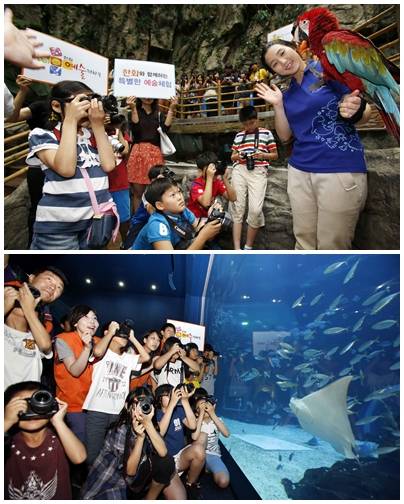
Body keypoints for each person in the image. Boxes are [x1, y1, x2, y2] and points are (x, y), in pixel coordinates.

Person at [256, 39, 371, 250]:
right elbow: (284, 137)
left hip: (338, 167)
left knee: (332, 245)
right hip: (299, 170)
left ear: (293, 47)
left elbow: (363, 110)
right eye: (275, 64)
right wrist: (279, 105)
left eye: (282, 53)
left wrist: (357, 109)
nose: (283, 62)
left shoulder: (327, 70)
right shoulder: (287, 93)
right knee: (303, 241)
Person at [26, 80, 116, 250]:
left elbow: (109, 165)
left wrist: (97, 125)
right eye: (81, 101)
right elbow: (66, 169)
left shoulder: (93, 134)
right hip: (59, 227)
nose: (88, 106)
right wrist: (70, 121)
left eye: (91, 100)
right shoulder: (43, 134)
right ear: (57, 106)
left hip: (95, 222)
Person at [81, 387, 174, 500]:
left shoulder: (149, 424)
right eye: (138, 403)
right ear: (127, 406)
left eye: (146, 404)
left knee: (166, 462)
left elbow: (163, 452)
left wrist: (148, 424)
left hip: (135, 480)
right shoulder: (121, 430)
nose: (142, 408)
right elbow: (130, 472)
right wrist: (140, 438)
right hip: (112, 480)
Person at [82, 321, 150, 465]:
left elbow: (146, 358)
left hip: (118, 412)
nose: (123, 336)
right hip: (97, 410)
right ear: (108, 333)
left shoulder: (127, 358)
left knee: (115, 453)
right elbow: (98, 351)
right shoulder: (101, 352)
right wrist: (111, 331)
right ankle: (91, 485)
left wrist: (132, 337)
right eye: (120, 333)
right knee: (93, 456)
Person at [4, 381, 87, 499]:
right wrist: (6, 422)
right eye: (22, 406)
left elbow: (79, 458)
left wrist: (58, 421)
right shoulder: (7, 443)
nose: (31, 411)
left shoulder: (59, 438)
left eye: (37, 403)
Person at [4, 266, 66, 390]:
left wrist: (28, 308)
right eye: (49, 279)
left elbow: (45, 346)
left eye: (59, 287)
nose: (53, 287)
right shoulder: (7, 291)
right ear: (31, 278)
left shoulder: (46, 324)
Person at [230, 105, 278, 250]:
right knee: (237, 208)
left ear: (257, 119)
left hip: (258, 171)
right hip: (240, 170)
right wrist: (240, 155)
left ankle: (248, 247)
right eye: (245, 124)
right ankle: (237, 249)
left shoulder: (266, 133)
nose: (249, 126)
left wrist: (262, 155)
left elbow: (275, 155)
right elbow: (232, 157)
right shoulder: (239, 136)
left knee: (255, 210)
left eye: (252, 123)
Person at [132, 178, 222, 250]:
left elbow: (198, 230)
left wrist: (212, 217)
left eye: (179, 192)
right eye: (173, 195)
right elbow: (172, 261)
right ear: (160, 205)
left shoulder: (182, 210)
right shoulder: (157, 224)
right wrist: (203, 236)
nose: (180, 197)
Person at [54, 305, 99, 442]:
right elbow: (75, 370)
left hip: (93, 405)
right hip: (73, 406)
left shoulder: (98, 342)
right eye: (86, 317)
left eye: (95, 318)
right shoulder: (63, 339)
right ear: (75, 322)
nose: (92, 321)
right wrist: (87, 348)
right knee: (78, 447)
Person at [126, 96, 177, 212]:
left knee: (157, 192)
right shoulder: (134, 111)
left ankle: (154, 220)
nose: (148, 97)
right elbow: (136, 129)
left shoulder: (158, 114)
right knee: (138, 193)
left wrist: (171, 108)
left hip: (155, 154)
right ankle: (138, 222)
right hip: (138, 154)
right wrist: (133, 108)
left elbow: (165, 129)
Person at [155, 384, 205, 499]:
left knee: (199, 450)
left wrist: (185, 401)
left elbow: (193, 426)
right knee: (180, 499)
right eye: (167, 395)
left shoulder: (179, 410)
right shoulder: (156, 414)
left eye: (172, 393)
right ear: (159, 399)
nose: (172, 397)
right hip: (165, 463)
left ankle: (190, 483)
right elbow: (160, 433)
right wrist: (172, 404)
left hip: (180, 457)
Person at [122, 164, 171, 250]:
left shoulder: (169, 190)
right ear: (153, 180)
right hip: (140, 223)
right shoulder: (148, 193)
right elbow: (151, 211)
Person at [191, 391, 230, 488]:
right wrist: (200, 416)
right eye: (200, 407)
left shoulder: (217, 420)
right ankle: (195, 474)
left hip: (214, 455)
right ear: (196, 413)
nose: (204, 408)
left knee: (224, 482)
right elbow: (194, 437)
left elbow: (226, 434)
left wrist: (213, 414)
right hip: (198, 456)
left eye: (206, 405)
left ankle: (207, 469)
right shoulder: (195, 422)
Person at [187, 151, 237, 220]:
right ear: (201, 171)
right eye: (210, 168)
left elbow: (233, 198)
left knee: (227, 219)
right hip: (194, 219)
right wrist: (209, 177)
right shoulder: (196, 185)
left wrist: (225, 180)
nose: (213, 170)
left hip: (208, 217)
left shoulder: (217, 182)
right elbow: (206, 203)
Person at [105, 115, 131, 243]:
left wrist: (118, 129)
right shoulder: (90, 132)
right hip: (102, 184)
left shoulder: (119, 132)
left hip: (120, 181)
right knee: (104, 220)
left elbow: (125, 150)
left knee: (124, 218)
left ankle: (126, 245)